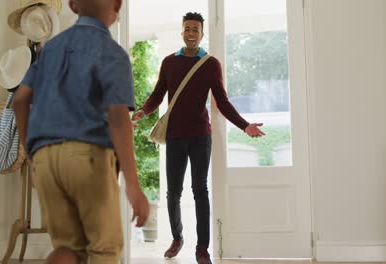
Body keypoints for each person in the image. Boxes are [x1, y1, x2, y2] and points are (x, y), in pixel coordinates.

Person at [13, 0, 150, 263]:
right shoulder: (112, 52)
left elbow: (20, 100)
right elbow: (118, 116)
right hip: (88, 157)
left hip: (45, 160)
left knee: (67, 249)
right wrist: (133, 184)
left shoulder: (50, 49)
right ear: (118, 6)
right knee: (104, 249)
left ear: (73, 5)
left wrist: (31, 155)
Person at [132, 12, 264, 264]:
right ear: (182, 32)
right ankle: (177, 238)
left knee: (200, 190)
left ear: (202, 34)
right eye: (187, 29)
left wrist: (245, 126)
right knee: (173, 192)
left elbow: (222, 102)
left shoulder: (211, 64)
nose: (191, 33)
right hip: (174, 136)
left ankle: (202, 248)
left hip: (200, 136)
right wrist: (142, 111)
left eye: (196, 30)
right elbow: (158, 94)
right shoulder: (169, 62)